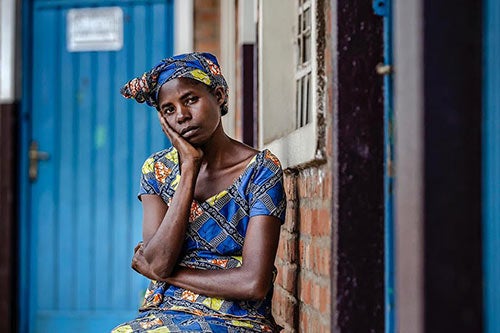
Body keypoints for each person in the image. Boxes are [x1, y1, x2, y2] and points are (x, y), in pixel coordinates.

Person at [111, 52, 286, 333]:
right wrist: (189, 168)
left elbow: (253, 283)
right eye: (168, 109)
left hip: (237, 318)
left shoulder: (261, 170)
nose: (181, 115)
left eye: (190, 99)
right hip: (166, 312)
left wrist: (168, 274)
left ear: (218, 95)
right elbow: (157, 260)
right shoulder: (158, 170)